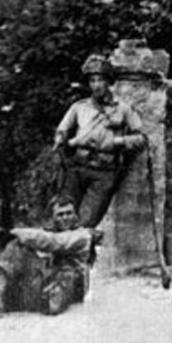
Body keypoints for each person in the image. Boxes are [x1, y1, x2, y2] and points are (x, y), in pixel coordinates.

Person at [53, 54, 146, 229]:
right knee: (63, 218)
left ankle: (83, 254)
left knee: (86, 223)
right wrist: (61, 139)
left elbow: (140, 139)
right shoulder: (79, 107)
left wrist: (116, 141)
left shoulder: (123, 109)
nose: (96, 85)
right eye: (92, 81)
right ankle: (63, 256)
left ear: (108, 82)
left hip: (103, 173)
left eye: (100, 80)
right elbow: (62, 130)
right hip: (77, 169)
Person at [0, 196, 96, 319]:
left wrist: (13, 232)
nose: (65, 218)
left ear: (76, 215)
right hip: (52, 283)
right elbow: (41, 239)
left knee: (20, 244)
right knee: (17, 247)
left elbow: (53, 241)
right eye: (60, 214)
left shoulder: (83, 236)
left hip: (70, 285)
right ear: (53, 218)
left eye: (69, 213)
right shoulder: (52, 231)